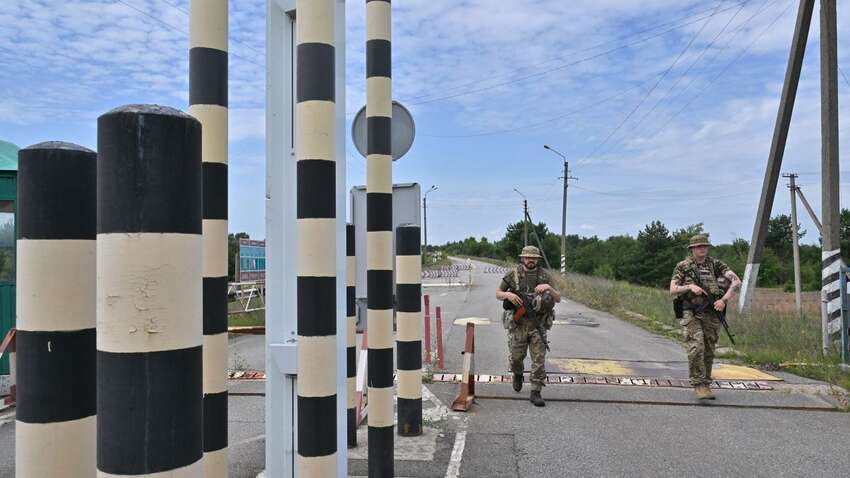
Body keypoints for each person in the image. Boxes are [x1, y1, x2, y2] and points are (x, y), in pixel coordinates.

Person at [670, 234, 741, 400]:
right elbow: (673, 289)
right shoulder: (683, 266)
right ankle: (698, 384)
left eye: (705, 246)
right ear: (692, 249)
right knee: (696, 346)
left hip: (712, 312)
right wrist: (689, 286)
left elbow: (736, 281)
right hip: (691, 312)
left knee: (709, 349)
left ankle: (706, 383)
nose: (702, 249)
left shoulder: (715, 264)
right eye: (699, 246)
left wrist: (724, 300)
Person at [496, 245, 561, 407]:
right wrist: (508, 294)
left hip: (538, 323)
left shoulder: (545, 276)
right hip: (518, 324)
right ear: (522, 258)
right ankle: (518, 374)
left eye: (533, 258)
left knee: (539, 358)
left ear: (537, 259)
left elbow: (558, 298)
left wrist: (549, 288)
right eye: (527, 257)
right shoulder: (513, 274)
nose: (530, 260)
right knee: (516, 358)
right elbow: (498, 293)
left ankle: (536, 391)